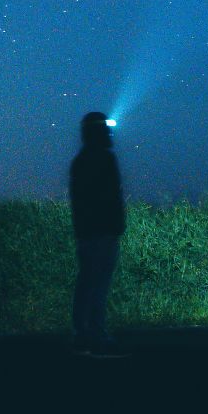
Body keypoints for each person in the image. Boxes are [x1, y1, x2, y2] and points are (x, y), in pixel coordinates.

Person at [69, 111, 127, 358]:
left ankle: (82, 334)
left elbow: (79, 200)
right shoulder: (105, 159)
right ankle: (97, 334)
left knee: (86, 283)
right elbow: (112, 196)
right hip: (103, 231)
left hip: (86, 233)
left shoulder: (79, 161)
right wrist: (116, 225)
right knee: (99, 284)